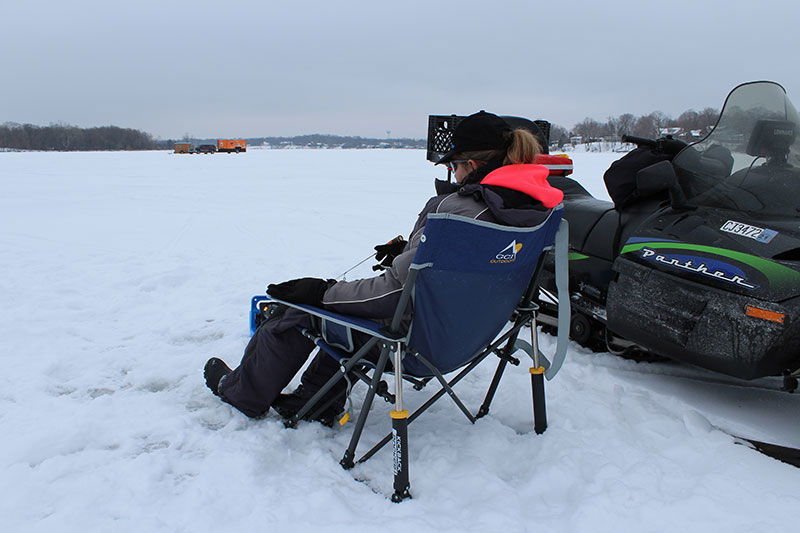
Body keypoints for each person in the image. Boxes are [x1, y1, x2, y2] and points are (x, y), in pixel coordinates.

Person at [204, 110, 562, 424]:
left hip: (414, 346)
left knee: (301, 311)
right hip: (471, 340)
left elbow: (390, 293)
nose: (452, 174)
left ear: (471, 165)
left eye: (454, 166)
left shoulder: (459, 213)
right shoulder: (536, 210)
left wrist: (321, 291)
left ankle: (243, 394)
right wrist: (415, 255)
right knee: (345, 312)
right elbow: (476, 266)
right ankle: (314, 401)